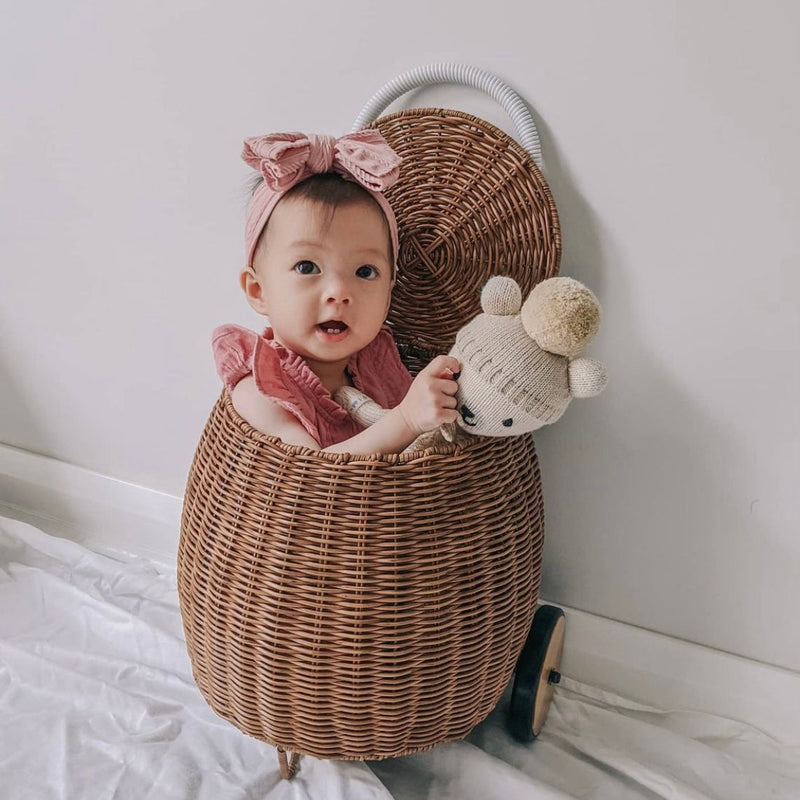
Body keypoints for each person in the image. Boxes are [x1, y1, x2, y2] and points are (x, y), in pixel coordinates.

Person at [212, 131, 461, 454]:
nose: (339, 293)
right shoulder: (262, 389)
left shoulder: (379, 362)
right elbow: (309, 474)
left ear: (389, 291)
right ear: (259, 290)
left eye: (365, 272)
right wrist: (407, 420)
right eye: (306, 267)